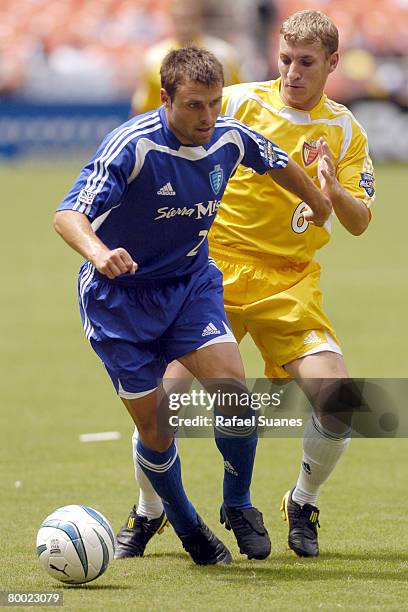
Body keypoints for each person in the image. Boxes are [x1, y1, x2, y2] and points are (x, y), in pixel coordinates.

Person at [54, 46, 331, 565]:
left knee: (236, 398)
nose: (207, 117)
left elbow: (278, 161)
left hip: (189, 287)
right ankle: (186, 525)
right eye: (194, 106)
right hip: (119, 301)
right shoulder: (131, 147)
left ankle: (238, 503)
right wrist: (99, 251)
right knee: (157, 428)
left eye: (214, 103)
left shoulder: (227, 134)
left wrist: (316, 202)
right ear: (166, 100)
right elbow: (69, 213)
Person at [121, 10, 376, 560]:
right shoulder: (236, 102)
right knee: (164, 399)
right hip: (214, 273)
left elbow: (357, 221)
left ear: (332, 63)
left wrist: (332, 189)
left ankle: (301, 501)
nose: (292, 73)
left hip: (290, 284)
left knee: (340, 402)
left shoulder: (346, 130)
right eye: (285, 60)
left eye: (306, 63)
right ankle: (149, 510)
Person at [131, 0, 242, 115]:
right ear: (172, 19)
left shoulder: (224, 54)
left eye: (190, 19)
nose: (184, 26)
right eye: (179, 19)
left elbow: (240, 97)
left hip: (216, 127)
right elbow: (143, 107)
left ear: (199, 19)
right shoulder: (153, 57)